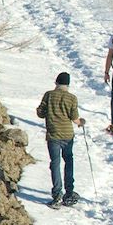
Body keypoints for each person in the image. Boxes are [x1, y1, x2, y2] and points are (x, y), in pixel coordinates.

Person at [36, 72, 85, 208]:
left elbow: (40, 113)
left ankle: (57, 194)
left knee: (55, 164)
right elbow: (75, 118)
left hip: (53, 136)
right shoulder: (72, 98)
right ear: (68, 85)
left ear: (57, 83)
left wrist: (48, 112)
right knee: (69, 162)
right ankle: (69, 193)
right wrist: (81, 122)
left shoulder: (49, 95)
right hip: (68, 135)